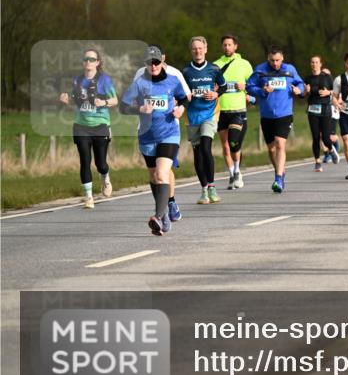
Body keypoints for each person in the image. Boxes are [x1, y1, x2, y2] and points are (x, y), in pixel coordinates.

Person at [120, 46, 188, 235]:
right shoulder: (140, 83)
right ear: (145, 64)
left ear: (162, 62)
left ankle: (158, 215)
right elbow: (123, 107)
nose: (154, 66)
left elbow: (184, 98)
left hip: (169, 134)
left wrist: (181, 108)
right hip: (147, 136)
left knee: (161, 174)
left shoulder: (173, 80)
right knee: (153, 177)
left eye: (156, 62)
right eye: (150, 63)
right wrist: (139, 109)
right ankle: (164, 214)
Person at [60, 48, 117, 209]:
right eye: (86, 59)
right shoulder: (77, 81)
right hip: (81, 125)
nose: (88, 62)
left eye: (92, 59)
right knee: (85, 160)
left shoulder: (104, 80)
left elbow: (115, 100)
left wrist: (103, 103)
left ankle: (105, 178)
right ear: (83, 62)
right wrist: (66, 99)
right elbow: (74, 100)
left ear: (98, 63)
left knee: (101, 164)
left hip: (100, 125)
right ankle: (89, 197)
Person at [246, 47, 305, 193]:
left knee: (280, 143)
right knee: (271, 149)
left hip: (284, 114)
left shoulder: (290, 69)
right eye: (272, 60)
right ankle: (279, 171)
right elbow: (250, 87)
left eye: (278, 60)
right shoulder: (260, 70)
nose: (275, 63)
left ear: (282, 58)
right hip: (267, 115)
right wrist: (262, 91)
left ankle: (278, 178)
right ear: (268, 59)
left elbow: (300, 83)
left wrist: (300, 90)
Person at [182, 36, 227, 204]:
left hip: (210, 114)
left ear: (206, 49)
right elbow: (181, 93)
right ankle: (203, 190)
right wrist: (186, 97)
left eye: (200, 48)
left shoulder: (214, 69)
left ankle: (212, 187)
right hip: (192, 116)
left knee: (206, 147)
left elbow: (222, 86)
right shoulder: (186, 72)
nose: (197, 51)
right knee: (198, 153)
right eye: (194, 48)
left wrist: (216, 94)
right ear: (191, 51)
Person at [213, 34, 254, 190]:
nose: (227, 47)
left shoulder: (244, 64)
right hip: (221, 110)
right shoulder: (215, 65)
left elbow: (253, 84)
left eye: (230, 45)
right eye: (224, 45)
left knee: (234, 142)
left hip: (238, 109)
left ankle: (237, 171)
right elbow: (211, 85)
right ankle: (231, 174)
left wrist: (246, 87)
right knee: (225, 146)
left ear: (235, 46)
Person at [304, 55, 338, 172]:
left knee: (326, 138)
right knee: (315, 137)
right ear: (310, 64)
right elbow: (304, 93)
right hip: (312, 110)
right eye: (312, 62)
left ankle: (331, 150)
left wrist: (328, 92)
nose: (314, 64)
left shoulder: (327, 77)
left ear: (320, 64)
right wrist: (305, 91)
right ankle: (317, 162)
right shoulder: (307, 78)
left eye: (316, 62)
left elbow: (334, 92)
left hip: (325, 110)